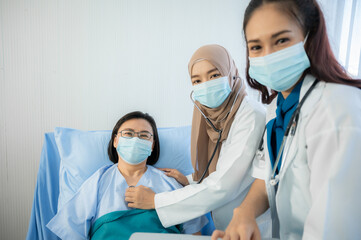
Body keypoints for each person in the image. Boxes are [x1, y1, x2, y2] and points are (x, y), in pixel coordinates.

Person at [212, 0, 361, 239]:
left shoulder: (337, 110)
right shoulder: (276, 108)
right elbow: (267, 175)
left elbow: (333, 230)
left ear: (309, 38)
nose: (268, 55)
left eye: (281, 40)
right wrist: (244, 213)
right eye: (256, 46)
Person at [125, 45, 271, 236]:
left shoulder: (250, 115)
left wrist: (156, 201)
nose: (206, 84)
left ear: (231, 74)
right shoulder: (212, 119)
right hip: (228, 228)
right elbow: (222, 167)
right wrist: (190, 180)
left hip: (258, 227)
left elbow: (223, 185)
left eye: (214, 75)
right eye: (197, 80)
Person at [47, 111, 207, 239]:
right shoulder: (99, 180)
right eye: (128, 134)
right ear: (115, 141)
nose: (136, 139)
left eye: (144, 135)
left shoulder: (170, 181)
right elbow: (72, 228)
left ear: (152, 145)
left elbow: (193, 232)